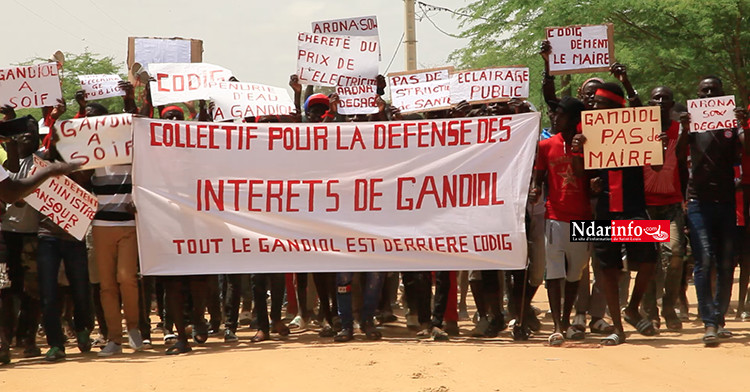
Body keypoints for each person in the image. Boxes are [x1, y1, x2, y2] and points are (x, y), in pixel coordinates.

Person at [572, 83, 660, 346]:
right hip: (605, 209)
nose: (594, 108)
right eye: (594, 104)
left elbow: (656, 164)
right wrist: (577, 150)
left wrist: (658, 144)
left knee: (649, 260)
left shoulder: (636, 129)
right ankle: (618, 329)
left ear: (615, 108)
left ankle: (632, 308)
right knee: (607, 268)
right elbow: (579, 174)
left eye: (600, 104)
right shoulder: (585, 131)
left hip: (634, 206)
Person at [681, 76, 749, 346]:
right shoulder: (693, 127)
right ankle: (708, 321)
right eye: (704, 91)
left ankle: (719, 319)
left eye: (713, 91)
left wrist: (743, 123)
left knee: (725, 262)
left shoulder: (732, 125)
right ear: (698, 95)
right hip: (698, 202)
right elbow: (675, 156)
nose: (708, 94)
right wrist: (683, 130)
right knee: (704, 260)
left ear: (722, 94)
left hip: (726, 201)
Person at [530, 97, 590, 346]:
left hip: (585, 218)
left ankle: (567, 320)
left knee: (575, 272)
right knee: (554, 273)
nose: (554, 118)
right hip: (554, 215)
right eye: (553, 114)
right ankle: (556, 326)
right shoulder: (545, 146)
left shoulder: (590, 143)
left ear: (575, 119)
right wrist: (535, 190)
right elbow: (539, 176)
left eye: (560, 115)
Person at [640, 86, 687, 331]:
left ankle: (669, 305)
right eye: (656, 97)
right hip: (645, 204)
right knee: (649, 260)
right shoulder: (637, 129)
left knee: (676, 253)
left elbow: (682, 162)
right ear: (650, 102)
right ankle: (650, 311)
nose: (660, 101)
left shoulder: (679, 130)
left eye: (664, 98)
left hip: (671, 202)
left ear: (672, 103)